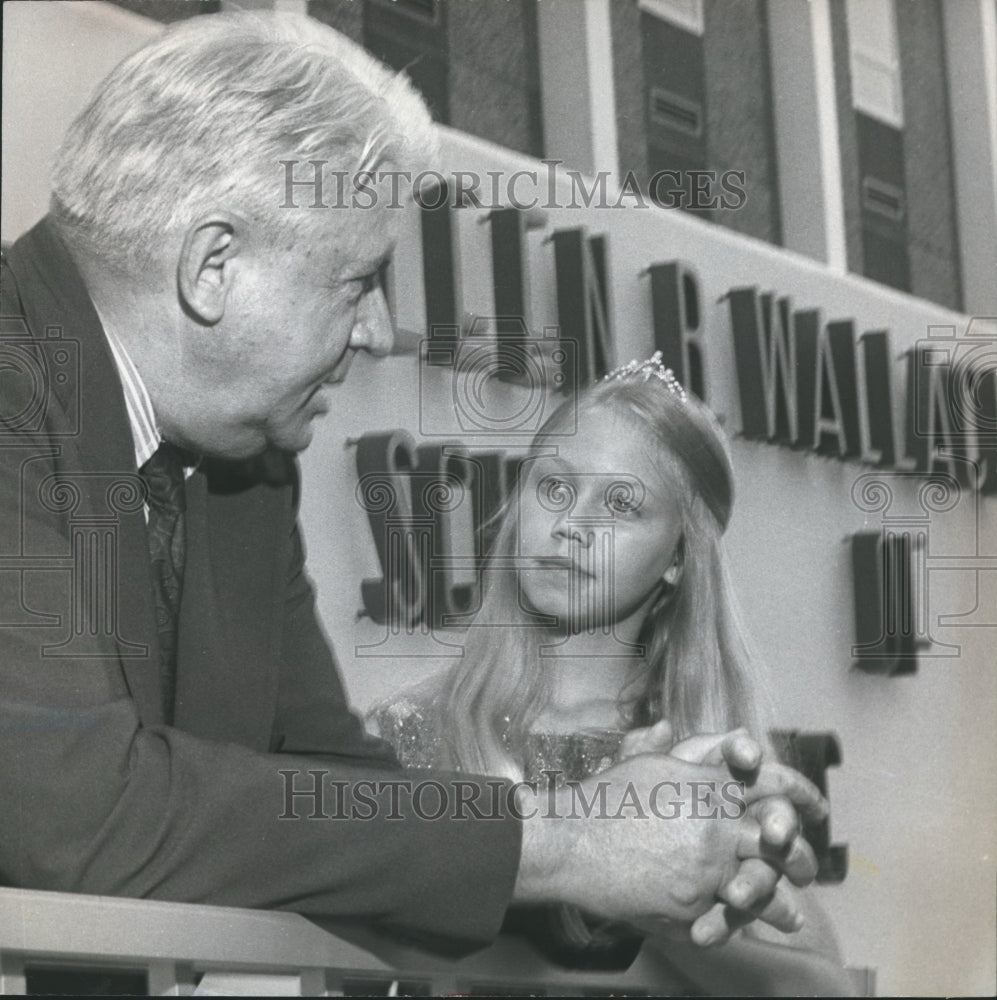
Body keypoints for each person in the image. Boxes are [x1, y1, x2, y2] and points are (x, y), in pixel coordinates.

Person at [1, 8, 823, 962]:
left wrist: (619, 847)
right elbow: (72, 812)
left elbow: (325, 789)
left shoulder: (244, 462)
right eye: (360, 281)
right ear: (213, 267)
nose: (379, 330)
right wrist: (565, 845)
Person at [371, 353, 855, 993]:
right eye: (554, 488)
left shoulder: (704, 767)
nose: (572, 525)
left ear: (680, 557)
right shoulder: (406, 732)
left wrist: (663, 905)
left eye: (622, 505)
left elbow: (825, 987)